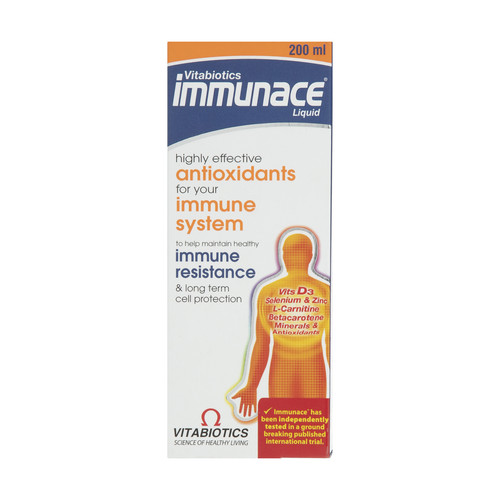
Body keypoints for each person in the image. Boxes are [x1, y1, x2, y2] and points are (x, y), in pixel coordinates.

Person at [228, 228, 330, 421]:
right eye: (292, 251)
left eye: (298, 251)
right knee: (292, 423)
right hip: (293, 372)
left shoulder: (271, 290)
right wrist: (251, 385)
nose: (295, 257)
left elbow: (262, 342)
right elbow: (261, 342)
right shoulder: (323, 290)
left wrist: (252, 385)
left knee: (301, 423)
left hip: (299, 372)